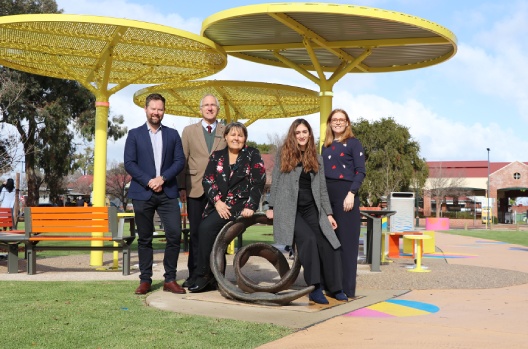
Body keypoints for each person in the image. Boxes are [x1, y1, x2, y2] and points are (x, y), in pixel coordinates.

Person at [266, 119, 347, 304]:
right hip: (289, 208)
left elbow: (322, 189)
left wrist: (328, 214)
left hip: (312, 208)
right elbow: (276, 182)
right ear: (293, 135)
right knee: (308, 240)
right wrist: (271, 207)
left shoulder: (316, 158)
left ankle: (335, 287)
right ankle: (314, 288)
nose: (301, 135)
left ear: (309, 134)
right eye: (298, 132)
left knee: (328, 241)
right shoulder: (283, 154)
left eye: (305, 132)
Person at [188, 122, 266, 293]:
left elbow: (258, 181)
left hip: (240, 206)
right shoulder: (217, 155)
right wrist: (217, 201)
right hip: (219, 205)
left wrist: (251, 205)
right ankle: (210, 275)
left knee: (207, 229)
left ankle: (204, 276)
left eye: (240, 135)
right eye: (232, 135)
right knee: (204, 230)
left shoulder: (252, 154)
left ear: (245, 138)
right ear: (225, 137)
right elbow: (207, 179)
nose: (236, 138)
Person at [124, 93, 186, 295]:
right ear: (146, 109)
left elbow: (179, 161)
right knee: (144, 238)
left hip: (168, 192)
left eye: (160, 109)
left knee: (175, 234)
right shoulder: (134, 134)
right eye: (153, 108)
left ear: (164, 111)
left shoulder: (172, 134)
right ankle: (145, 280)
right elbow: (129, 163)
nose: (156, 112)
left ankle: (170, 279)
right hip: (142, 192)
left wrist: (162, 179)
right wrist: (149, 181)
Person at [177, 94, 227, 288]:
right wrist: (182, 186)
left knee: (218, 234)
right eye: (206, 105)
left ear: (218, 109)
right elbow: (183, 159)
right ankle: (194, 274)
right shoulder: (189, 131)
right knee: (196, 234)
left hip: (220, 192)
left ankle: (216, 276)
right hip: (195, 189)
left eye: (213, 105)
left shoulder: (226, 131)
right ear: (200, 109)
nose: (209, 108)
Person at [321, 109, 366, 299]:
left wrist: (351, 194)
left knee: (347, 243)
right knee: (329, 242)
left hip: (346, 195)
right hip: (327, 194)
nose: (338, 122)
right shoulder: (326, 145)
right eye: (334, 119)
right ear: (330, 123)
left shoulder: (354, 144)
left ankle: (347, 288)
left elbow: (360, 171)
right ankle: (331, 285)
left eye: (342, 119)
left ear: (347, 123)